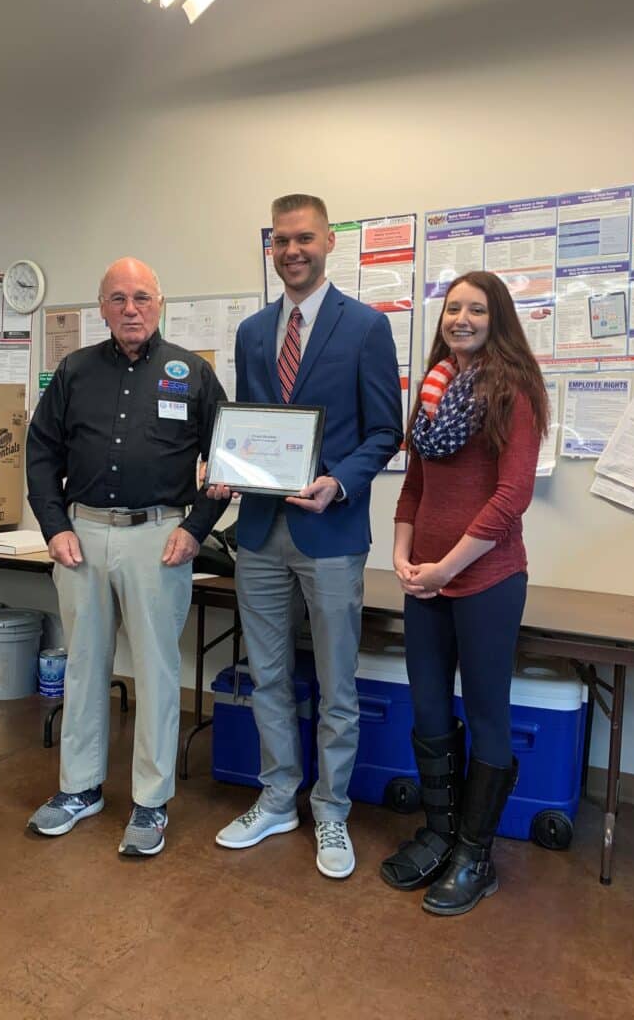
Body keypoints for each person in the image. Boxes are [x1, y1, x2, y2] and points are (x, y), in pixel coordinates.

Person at [210, 194, 403, 879]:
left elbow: (386, 430)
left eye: (305, 238)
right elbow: (251, 424)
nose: (293, 251)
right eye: (281, 240)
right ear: (272, 246)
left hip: (332, 529)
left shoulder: (367, 327)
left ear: (329, 242)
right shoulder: (252, 332)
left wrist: (338, 483)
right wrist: (226, 466)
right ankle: (276, 799)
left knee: (335, 683)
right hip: (260, 529)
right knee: (266, 675)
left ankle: (331, 811)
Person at [26, 257, 226, 856]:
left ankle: (151, 801)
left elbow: (229, 460)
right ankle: (79, 789)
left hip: (158, 538)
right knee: (85, 664)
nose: (130, 308)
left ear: (160, 303)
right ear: (103, 308)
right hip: (81, 535)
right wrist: (54, 526)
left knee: (158, 672)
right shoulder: (74, 371)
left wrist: (195, 529)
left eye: (141, 297)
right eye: (117, 298)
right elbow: (40, 453)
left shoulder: (192, 373)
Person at [380, 270, 548, 915]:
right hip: (425, 581)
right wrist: (402, 557)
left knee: (486, 714)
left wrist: (445, 568)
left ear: (496, 318)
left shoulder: (514, 392)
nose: (462, 319)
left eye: (477, 309)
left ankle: (475, 855)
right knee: (427, 708)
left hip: (487, 581)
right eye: (453, 308)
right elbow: (414, 488)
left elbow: (511, 498)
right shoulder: (432, 393)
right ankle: (440, 834)